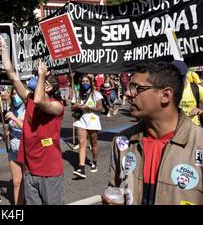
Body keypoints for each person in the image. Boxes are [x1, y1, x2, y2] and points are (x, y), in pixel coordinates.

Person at [102, 62, 203, 205]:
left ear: (165, 95)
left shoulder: (199, 143)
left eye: (137, 88)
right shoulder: (122, 142)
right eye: (129, 87)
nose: (128, 93)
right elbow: (114, 189)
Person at [0, 34, 65, 205]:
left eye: (37, 77)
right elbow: (12, 76)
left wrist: (42, 75)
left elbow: (40, 101)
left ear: (48, 86)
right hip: (31, 169)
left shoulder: (56, 106)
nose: (33, 78)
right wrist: (3, 50)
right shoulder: (29, 98)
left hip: (49, 172)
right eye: (35, 76)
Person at [71, 75, 103, 179]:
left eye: (87, 81)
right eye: (83, 81)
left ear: (90, 82)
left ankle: (94, 161)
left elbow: (100, 108)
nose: (85, 83)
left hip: (93, 122)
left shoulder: (96, 94)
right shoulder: (77, 94)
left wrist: (88, 107)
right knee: (82, 143)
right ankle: (81, 168)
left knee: (93, 144)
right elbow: (72, 108)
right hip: (81, 121)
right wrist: (75, 106)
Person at [4, 88, 25, 205]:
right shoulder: (12, 109)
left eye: (17, 93)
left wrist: (15, 118)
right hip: (13, 148)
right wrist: (7, 133)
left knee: (28, 181)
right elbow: (10, 127)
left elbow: (29, 129)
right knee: (16, 182)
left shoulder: (29, 109)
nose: (15, 96)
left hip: (26, 148)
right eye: (13, 94)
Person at [172, 60, 203, 127]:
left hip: (194, 129)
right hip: (175, 131)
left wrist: (200, 111)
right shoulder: (166, 91)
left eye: (181, 78)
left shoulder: (197, 89)